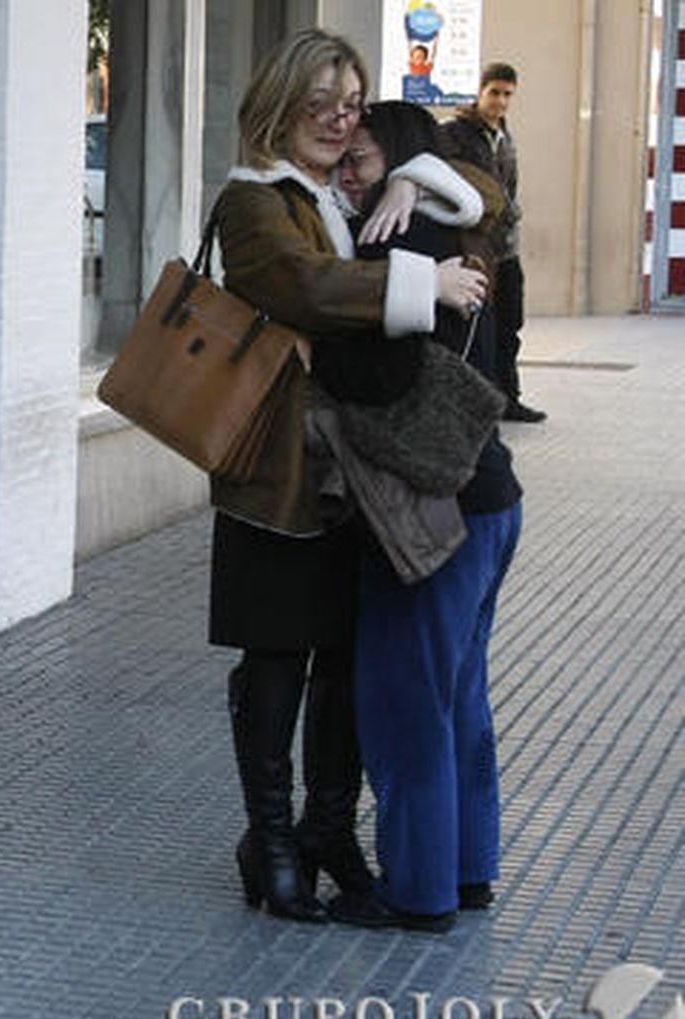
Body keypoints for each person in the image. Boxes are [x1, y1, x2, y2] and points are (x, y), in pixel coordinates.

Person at [207, 28, 488, 924]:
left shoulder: (341, 193)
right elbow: (307, 288)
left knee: (342, 667)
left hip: (346, 482)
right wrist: (424, 288)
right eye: (321, 101)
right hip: (273, 480)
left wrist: (409, 175)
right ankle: (275, 842)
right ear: (280, 104)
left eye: (352, 105)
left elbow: (481, 195)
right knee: (278, 661)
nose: (338, 120)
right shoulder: (257, 202)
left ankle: (329, 831)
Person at [333, 101, 523, 931]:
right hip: (491, 501)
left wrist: (320, 342)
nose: (349, 170)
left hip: (428, 510)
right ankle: (469, 870)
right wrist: (410, 177)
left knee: (407, 705)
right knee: (460, 699)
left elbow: (373, 377)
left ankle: (417, 892)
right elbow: (487, 195)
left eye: (365, 158)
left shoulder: (394, 243)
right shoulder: (460, 232)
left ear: (402, 161)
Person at [440, 62, 545, 423]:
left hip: (507, 248)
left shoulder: (504, 135)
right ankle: (477, 400)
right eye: (494, 92)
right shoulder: (454, 134)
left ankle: (507, 398)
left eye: (507, 94)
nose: (501, 101)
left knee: (509, 325)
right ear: (480, 91)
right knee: (477, 328)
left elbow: (509, 188)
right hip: (475, 246)